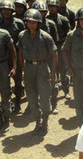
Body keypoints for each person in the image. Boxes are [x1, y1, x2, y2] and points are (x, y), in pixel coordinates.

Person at [18, 8, 57, 136]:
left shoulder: (45, 37)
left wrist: (52, 73)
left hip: (42, 68)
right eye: (29, 22)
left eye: (34, 22)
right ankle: (37, 122)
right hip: (29, 68)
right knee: (31, 97)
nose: (31, 24)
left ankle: (45, 122)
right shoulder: (22, 35)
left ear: (38, 23)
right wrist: (23, 68)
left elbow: (55, 54)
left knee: (45, 97)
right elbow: (20, 52)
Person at [0, 0, 25, 113]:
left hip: (16, 57)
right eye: (4, 10)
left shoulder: (19, 23)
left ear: (12, 11)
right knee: (4, 84)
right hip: (2, 58)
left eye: (8, 10)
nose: (6, 12)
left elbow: (24, 40)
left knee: (18, 82)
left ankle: (17, 102)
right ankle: (7, 104)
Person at [46, 0, 71, 110]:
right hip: (50, 49)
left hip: (61, 46)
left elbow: (68, 35)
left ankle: (66, 90)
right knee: (53, 71)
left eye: (53, 7)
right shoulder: (45, 20)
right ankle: (52, 98)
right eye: (50, 6)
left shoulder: (64, 19)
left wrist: (66, 49)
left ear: (57, 7)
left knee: (63, 70)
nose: (51, 9)